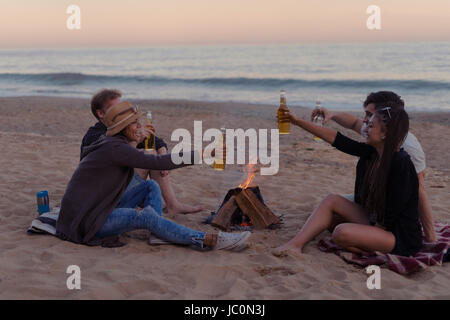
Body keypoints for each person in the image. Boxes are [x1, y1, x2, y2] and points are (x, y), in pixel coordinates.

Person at [56, 101, 251, 251]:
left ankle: (158, 233)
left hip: (97, 209)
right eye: (134, 123)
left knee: (150, 186)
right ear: (123, 128)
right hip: (87, 222)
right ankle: (207, 240)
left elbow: (141, 156)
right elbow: (158, 163)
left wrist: (138, 138)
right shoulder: (114, 148)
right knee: (144, 216)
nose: (139, 126)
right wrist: (204, 154)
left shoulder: (115, 144)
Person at [273, 101, 422, 257]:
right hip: (375, 222)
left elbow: (395, 209)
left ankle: (365, 247)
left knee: (340, 232)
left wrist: (372, 230)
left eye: (371, 126)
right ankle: (294, 244)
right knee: (331, 202)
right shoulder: (371, 153)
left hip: (396, 235)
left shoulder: (400, 162)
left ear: (385, 133)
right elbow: (336, 139)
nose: (366, 129)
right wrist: (297, 122)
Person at [310, 91, 436, 242]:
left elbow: (419, 192)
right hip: (373, 202)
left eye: (369, 115)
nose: (364, 121)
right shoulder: (375, 131)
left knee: (337, 224)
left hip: (393, 212)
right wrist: (332, 115)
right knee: (326, 215)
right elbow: (353, 123)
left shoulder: (407, 148)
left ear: (385, 118)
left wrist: (431, 238)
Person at [81, 89, 203, 215]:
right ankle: (165, 206)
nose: (123, 111)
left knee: (152, 151)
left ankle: (173, 205)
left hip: (118, 186)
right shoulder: (95, 136)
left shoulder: (122, 129)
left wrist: (163, 155)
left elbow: (158, 142)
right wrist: (136, 140)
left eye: (123, 107)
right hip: (105, 195)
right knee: (148, 155)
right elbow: (123, 157)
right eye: (116, 108)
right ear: (101, 113)